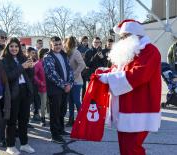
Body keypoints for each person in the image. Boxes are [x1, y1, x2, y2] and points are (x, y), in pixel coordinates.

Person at [98, 19, 161, 155]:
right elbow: (117, 70)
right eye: (121, 37)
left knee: (132, 148)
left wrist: (109, 78)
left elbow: (139, 75)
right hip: (125, 108)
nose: (122, 40)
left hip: (139, 109)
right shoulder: (130, 51)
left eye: (125, 36)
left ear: (135, 34)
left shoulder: (149, 50)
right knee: (125, 148)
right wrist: (105, 72)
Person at [1, 37, 35, 154]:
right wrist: (22, 67)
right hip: (13, 93)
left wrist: (31, 67)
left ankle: (24, 143)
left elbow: (29, 76)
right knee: (11, 121)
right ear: (7, 47)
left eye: (16, 46)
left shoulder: (23, 58)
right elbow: (8, 77)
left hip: (25, 91)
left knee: (24, 119)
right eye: (11, 46)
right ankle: (10, 145)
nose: (14, 48)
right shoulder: (4, 60)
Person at [43, 36, 74, 144]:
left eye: (59, 44)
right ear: (51, 45)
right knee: (55, 113)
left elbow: (70, 69)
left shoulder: (63, 54)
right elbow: (51, 73)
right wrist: (64, 85)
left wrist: (70, 83)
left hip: (65, 88)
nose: (57, 46)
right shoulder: (48, 57)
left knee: (62, 110)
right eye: (55, 44)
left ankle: (61, 130)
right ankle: (55, 134)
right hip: (55, 90)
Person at [64, 36, 86, 126]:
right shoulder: (67, 52)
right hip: (69, 81)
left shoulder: (76, 52)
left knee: (76, 100)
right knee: (71, 101)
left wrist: (74, 74)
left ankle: (82, 119)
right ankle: (71, 120)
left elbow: (82, 65)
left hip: (76, 81)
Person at [34, 48, 49, 126]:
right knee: (43, 104)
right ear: (43, 54)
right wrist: (40, 82)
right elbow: (34, 75)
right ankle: (42, 119)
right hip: (42, 88)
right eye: (47, 53)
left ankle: (49, 117)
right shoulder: (38, 64)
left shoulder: (48, 62)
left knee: (49, 103)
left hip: (50, 87)